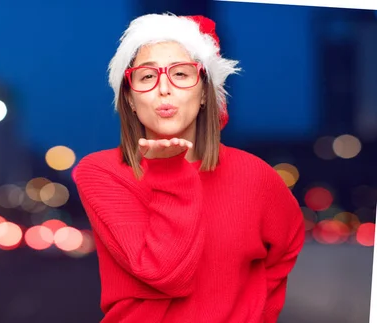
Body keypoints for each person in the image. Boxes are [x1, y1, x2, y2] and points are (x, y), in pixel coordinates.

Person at [72, 13, 306, 323]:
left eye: (181, 74)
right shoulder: (102, 172)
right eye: (146, 77)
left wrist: (257, 314)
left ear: (206, 93)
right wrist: (169, 172)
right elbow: (167, 274)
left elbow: (286, 247)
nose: (164, 89)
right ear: (129, 98)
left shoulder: (255, 175)